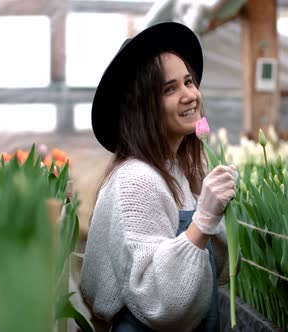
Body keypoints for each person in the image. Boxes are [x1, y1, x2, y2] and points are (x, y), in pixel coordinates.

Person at [80, 21, 238, 332]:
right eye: (170, 89)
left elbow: (217, 272)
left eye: (189, 82)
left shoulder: (180, 171)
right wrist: (203, 219)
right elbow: (158, 302)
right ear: (145, 108)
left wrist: (221, 212)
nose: (189, 95)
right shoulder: (136, 180)